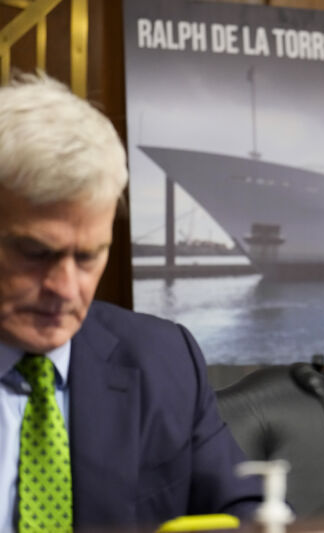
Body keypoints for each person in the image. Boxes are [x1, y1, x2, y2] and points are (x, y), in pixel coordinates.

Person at [0, 73, 261, 531]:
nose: (65, 288)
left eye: (87, 256)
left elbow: (248, 512)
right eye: (36, 253)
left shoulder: (163, 361)